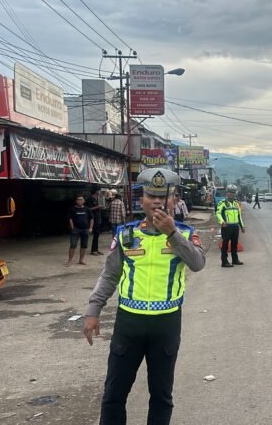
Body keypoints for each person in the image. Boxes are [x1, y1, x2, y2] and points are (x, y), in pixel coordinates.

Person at [83, 168, 206, 425]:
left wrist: (171, 233)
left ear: (174, 200)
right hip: (129, 324)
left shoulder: (184, 233)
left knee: (161, 396)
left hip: (166, 323)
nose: (157, 201)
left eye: (164, 196)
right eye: (151, 195)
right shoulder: (126, 234)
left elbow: (197, 263)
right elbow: (109, 276)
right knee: (114, 395)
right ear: (142, 199)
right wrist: (93, 311)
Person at [217, 185, 245, 267]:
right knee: (225, 244)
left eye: (233, 192)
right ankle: (224, 262)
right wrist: (222, 222)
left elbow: (239, 216)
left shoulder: (236, 204)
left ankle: (235, 260)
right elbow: (218, 213)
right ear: (227, 193)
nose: (231, 194)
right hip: (227, 227)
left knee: (234, 243)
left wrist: (242, 226)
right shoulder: (222, 203)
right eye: (229, 192)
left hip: (235, 226)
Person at [66, 196, 93, 267]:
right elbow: (70, 219)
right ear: (76, 201)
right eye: (78, 200)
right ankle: (70, 261)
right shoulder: (72, 209)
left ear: (84, 201)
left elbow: (91, 219)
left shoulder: (87, 209)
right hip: (76, 229)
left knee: (84, 245)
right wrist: (72, 228)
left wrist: (90, 228)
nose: (79, 201)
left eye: (81, 200)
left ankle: (81, 260)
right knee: (73, 245)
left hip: (85, 229)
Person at [87, 189, 105, 256]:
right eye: (99, 190)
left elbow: (96, 208)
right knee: (96, 234)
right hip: (93, 219)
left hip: (98, 218)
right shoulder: (90, 199)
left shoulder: (97, 198)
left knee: (97, 235)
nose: (100, 192)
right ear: (96, 191)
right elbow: (89, 209)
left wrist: (100, 207)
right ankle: (93, 250)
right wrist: (97, 207)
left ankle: (96, 249)